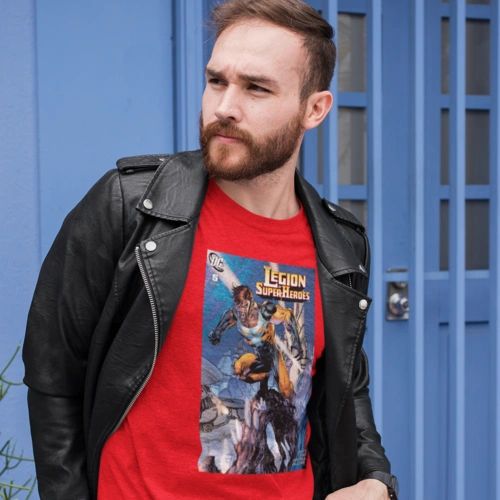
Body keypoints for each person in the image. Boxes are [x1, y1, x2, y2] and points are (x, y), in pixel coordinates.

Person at [23, 0, 398, 499]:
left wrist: (375, 479)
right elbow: (53, 375)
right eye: (217, 81)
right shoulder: (131, 208)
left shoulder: (340, 245)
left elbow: (346, 388)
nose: (224, 107)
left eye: (256, 88)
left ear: (315, 109)